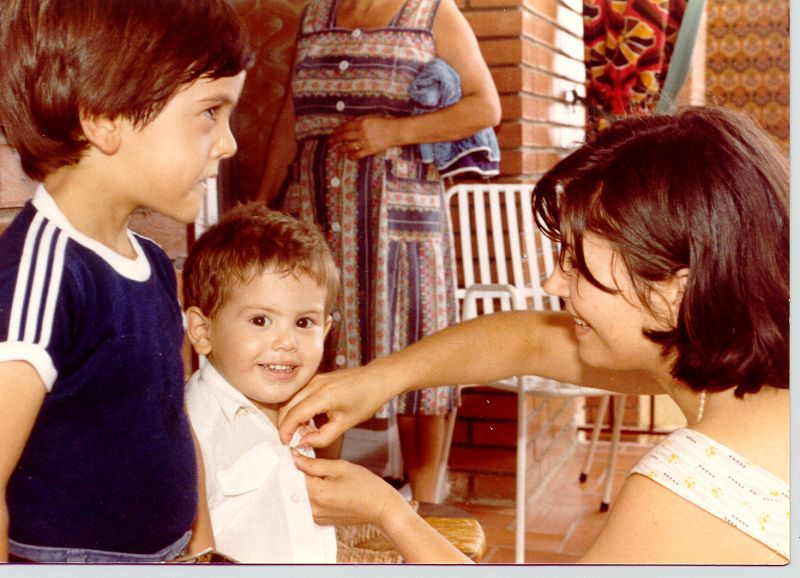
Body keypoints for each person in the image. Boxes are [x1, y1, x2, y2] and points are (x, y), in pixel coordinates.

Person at [279, 107, 790, 564]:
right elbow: (529, 340)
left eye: (576, 262)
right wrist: (379, 379)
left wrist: (390, 512)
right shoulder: (740, 371)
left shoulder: (693, 490)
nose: (552, 283)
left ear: (673, 290)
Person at [0, 0, 253, 563]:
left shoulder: (152, 261)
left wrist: (202, 540)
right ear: (105, 117)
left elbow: (171, 416)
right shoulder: (43, 275)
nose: (228, 142)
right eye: (210, 112)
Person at [256, 0, 502, 502]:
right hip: (316, 221)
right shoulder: (315, 15)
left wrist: (394, 131)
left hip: (402, 229)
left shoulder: (432, 13)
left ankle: (427, 508)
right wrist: (262, 201)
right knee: (319, 355)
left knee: (418, 357)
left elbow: (485, 107)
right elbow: (290, 115)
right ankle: (319, 503)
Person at [181, 203, 340, 563]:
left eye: (304, 323)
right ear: (202, 331)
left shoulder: (304, 410)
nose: (287, 342)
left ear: (326, 329)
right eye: (260, 320)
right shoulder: (195, 426)